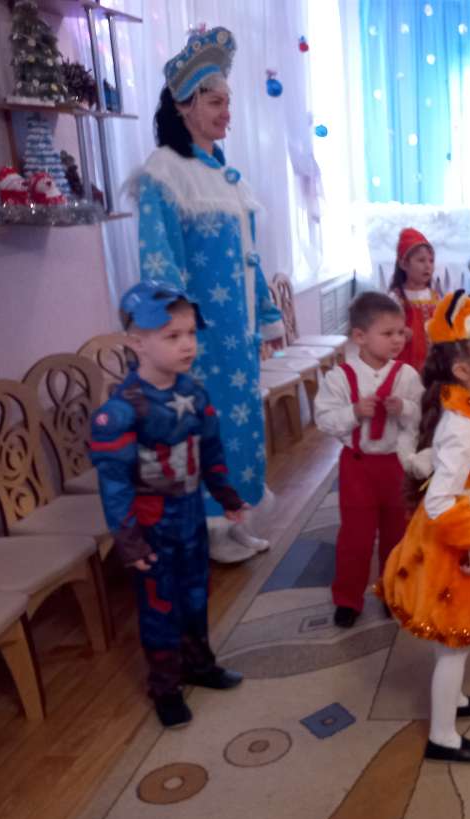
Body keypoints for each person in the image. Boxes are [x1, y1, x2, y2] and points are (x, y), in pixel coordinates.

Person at [130, 25, 284, 564]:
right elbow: (160, 265)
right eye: (216, 102)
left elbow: (250, 257)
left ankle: (234, 517)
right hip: (197, 339)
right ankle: (208, 529)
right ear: (185, 105)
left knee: (237, 428)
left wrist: (267, 317)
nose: (227, 113)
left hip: (237, 336)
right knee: (202, 433)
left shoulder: (226, 175)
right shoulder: (164, 174)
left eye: (227, 102)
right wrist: (173, 338)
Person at [90, 282, 247, 728]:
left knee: (196, 593)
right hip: (151, 525)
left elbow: (211, 450)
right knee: (160, 605)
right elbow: (114, 484)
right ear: (137, 343)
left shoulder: (195, 394)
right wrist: (129, 540)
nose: (187, 345)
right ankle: (165, 687)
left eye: (191, 333)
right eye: (172, 336)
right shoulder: (121, 411)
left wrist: (225, 494)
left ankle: (199, 664)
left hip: (191, 515)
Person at [378, 292, 470, 763]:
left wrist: (426, 461)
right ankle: (442, 737)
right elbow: (442, 498)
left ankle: (455, 701)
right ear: (463, 370)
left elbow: (445, 462)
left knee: (456, 639)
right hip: (456, 537)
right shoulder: (464, 423)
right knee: (453, 646)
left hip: (466, 525)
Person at [314, 292, 424, 629]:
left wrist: (404, 408)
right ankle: (348, 598)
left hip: (394, 464)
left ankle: (393, 592)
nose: (397, 340)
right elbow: (324, 420)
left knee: (397, 533)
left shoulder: (406, 375)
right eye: (388, 333)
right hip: (357, 466)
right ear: (360, 336)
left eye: (400, 332)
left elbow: (421, 417)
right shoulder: (339, 378)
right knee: (355, 537)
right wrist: (353, 412)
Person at [389, 227, 441, 370]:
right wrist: (399, 331)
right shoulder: (396, 298)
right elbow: (386, 328)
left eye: (431, 261)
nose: (428, 266)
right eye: (421, 260)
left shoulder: (435, 296)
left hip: (433, 359)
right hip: (407, 361)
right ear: (403, 264)